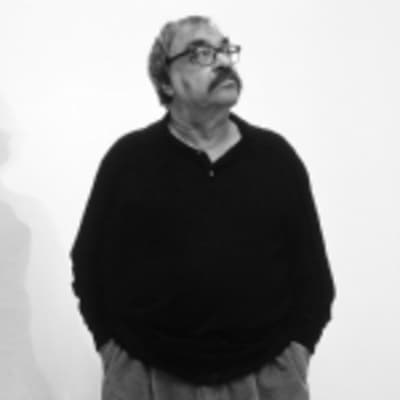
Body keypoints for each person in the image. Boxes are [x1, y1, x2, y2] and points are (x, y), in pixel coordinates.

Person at [70, 15, 335, 400]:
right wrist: (114, 353)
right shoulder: (129, 161)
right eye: (201, 53)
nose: (223, 61)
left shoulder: (275, 159)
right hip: (149, 377)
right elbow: (88, 263)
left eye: (225, 50)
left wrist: (296, 354)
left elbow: (313, 273)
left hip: (264, 377)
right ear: (166, 81)